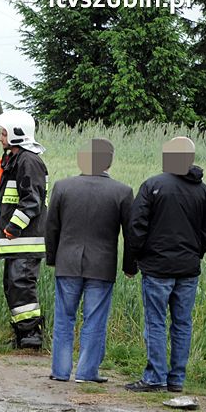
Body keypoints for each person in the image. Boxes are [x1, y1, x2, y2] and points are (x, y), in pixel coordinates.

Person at [125, 137, 206, 393]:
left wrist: (135, 260)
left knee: (155, 322)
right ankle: (176, 380)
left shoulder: (153, 185)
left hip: (156, 268)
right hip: (188, 268)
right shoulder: (204, 191)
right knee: (182, 323)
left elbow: (136, 227)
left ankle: (154, 377)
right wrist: (197, 253)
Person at [45, 138, 136, 383]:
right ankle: (86, 373)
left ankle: (60, 372)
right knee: (94, 319)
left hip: (67, 262)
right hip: (102, 265)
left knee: (64, 318)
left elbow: (51, 226)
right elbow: (131, 234)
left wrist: (52, 258)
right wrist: (130, 267)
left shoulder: (63, 187)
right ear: (110, 160)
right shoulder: (123, 191)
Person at [0, 110, 49, 349]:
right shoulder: (16, 159)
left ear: (16, 134)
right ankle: (22, 334)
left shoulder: (28, 161)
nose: (0, 137)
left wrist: (12, 227)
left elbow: (32, 201)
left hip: (25, 239)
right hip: (17, 240)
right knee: (13, 286)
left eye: (3, 133)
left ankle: (31, 336)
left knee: (22, 285)